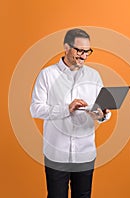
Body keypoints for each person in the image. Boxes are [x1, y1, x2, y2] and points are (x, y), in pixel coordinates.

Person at [30, 28, 111, 198]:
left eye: (87, 51)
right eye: (79, 50)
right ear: (66, 47)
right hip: (56, 152)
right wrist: (66, 108)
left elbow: (102, 111)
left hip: (85, 152)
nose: (84, 56)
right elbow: (36, 109)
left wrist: (102, 114)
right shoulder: (47, 75)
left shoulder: (94, 76)